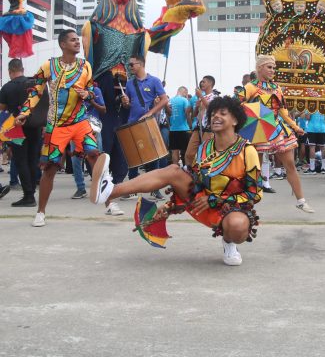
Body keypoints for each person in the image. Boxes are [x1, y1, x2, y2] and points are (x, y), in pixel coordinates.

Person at [95, 96, 262, 266]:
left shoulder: (247, 151)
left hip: (229, 209)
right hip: (200, 204)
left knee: (238, 226)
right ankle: (110, 191)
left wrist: (216, 199)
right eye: (213, 114)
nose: (215, 117)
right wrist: (170, 206)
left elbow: (254, 193)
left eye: (223, 113)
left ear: (235, 120)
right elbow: (195, 181)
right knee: (174, 170)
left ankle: (229, 243)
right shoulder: (205, 147)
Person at [15, 29, 111, 227]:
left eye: (78, 40)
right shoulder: (49, 66)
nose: (77, 42)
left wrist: (88, 95)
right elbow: (35, 91)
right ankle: (40, 212)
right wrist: (25, 112)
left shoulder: (85, 66)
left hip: (80, 121)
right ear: (62, 44)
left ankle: (110, 203)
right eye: (73, 40)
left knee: (95, 156)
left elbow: (92, 88)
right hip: (56, 125)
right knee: (49, 169)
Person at [237, 55, 313, 213]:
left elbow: (283, 111)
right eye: (269, 67)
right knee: (253, 167)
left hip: (276, 129)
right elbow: (236, 105)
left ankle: (301, 200)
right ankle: (248, 203)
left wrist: (295, 126)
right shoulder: (250, 87)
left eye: (273, 67)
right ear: (259, 68)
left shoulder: (277, 88)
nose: (273, 70)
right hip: (256, 130)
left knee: (290, 165)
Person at [0, 59, 46, 207]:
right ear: (22, 69)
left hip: (17, 128)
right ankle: (33, 189)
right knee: (33, 159)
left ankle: (28, 195)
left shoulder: (7, 87)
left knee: (21, 160)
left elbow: (2, 108)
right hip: (35, 126)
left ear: (10, 71)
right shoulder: (34, 83)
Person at [120, 55, 169, 190]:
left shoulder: (154, 81)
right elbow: (128, 105)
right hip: (133, 123)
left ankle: (155, 188)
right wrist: (126, 103)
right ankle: (132, 188)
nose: (130, 67)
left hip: (149, 123)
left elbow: (164, 99)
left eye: (132, 64)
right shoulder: (129, 83)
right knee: (133, 156)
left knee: (153, 156)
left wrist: (150, 113)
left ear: (140, 64)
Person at [184, 76, 217, 167]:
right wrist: (197, 107)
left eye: (204, 82)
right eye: (201, 82)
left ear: (210, 83)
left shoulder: (214, 97)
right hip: (197, 128)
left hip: (208, 129)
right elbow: (194, 115)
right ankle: (189, 172)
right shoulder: (200, 98)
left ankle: (205, 176)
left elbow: (210, 108)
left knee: (206, 155)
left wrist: (201, 96)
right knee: (189, 154)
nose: (201, 83)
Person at [168, 86, 192, 166]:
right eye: (186, 93)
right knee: (185, 151)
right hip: (183, 129)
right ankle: (186, 169)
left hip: (173, 129)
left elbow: (168, 115)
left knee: (174, 151)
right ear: (184, 92)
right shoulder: (184, 100)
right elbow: (187, 113)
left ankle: (175, 169)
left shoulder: (170, 100)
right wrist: (190, 125)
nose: (186, 95)